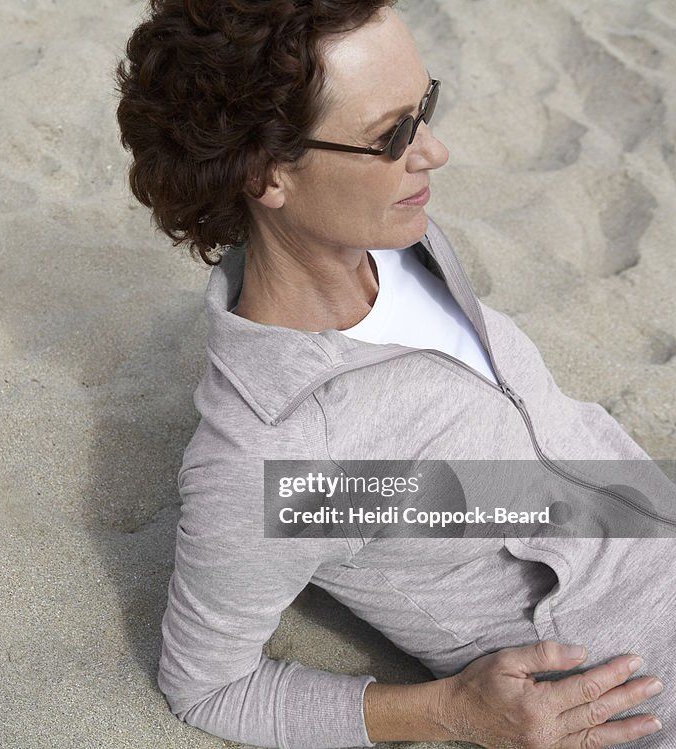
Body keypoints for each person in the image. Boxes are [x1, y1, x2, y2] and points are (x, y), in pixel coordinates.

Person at [115, 1, 673, 747]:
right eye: (392, 135)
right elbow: (207, 686)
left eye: (425, 108)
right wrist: (453, 709)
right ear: (267, 172)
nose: (434, 151)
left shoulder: (396, 238)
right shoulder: (274, 453)